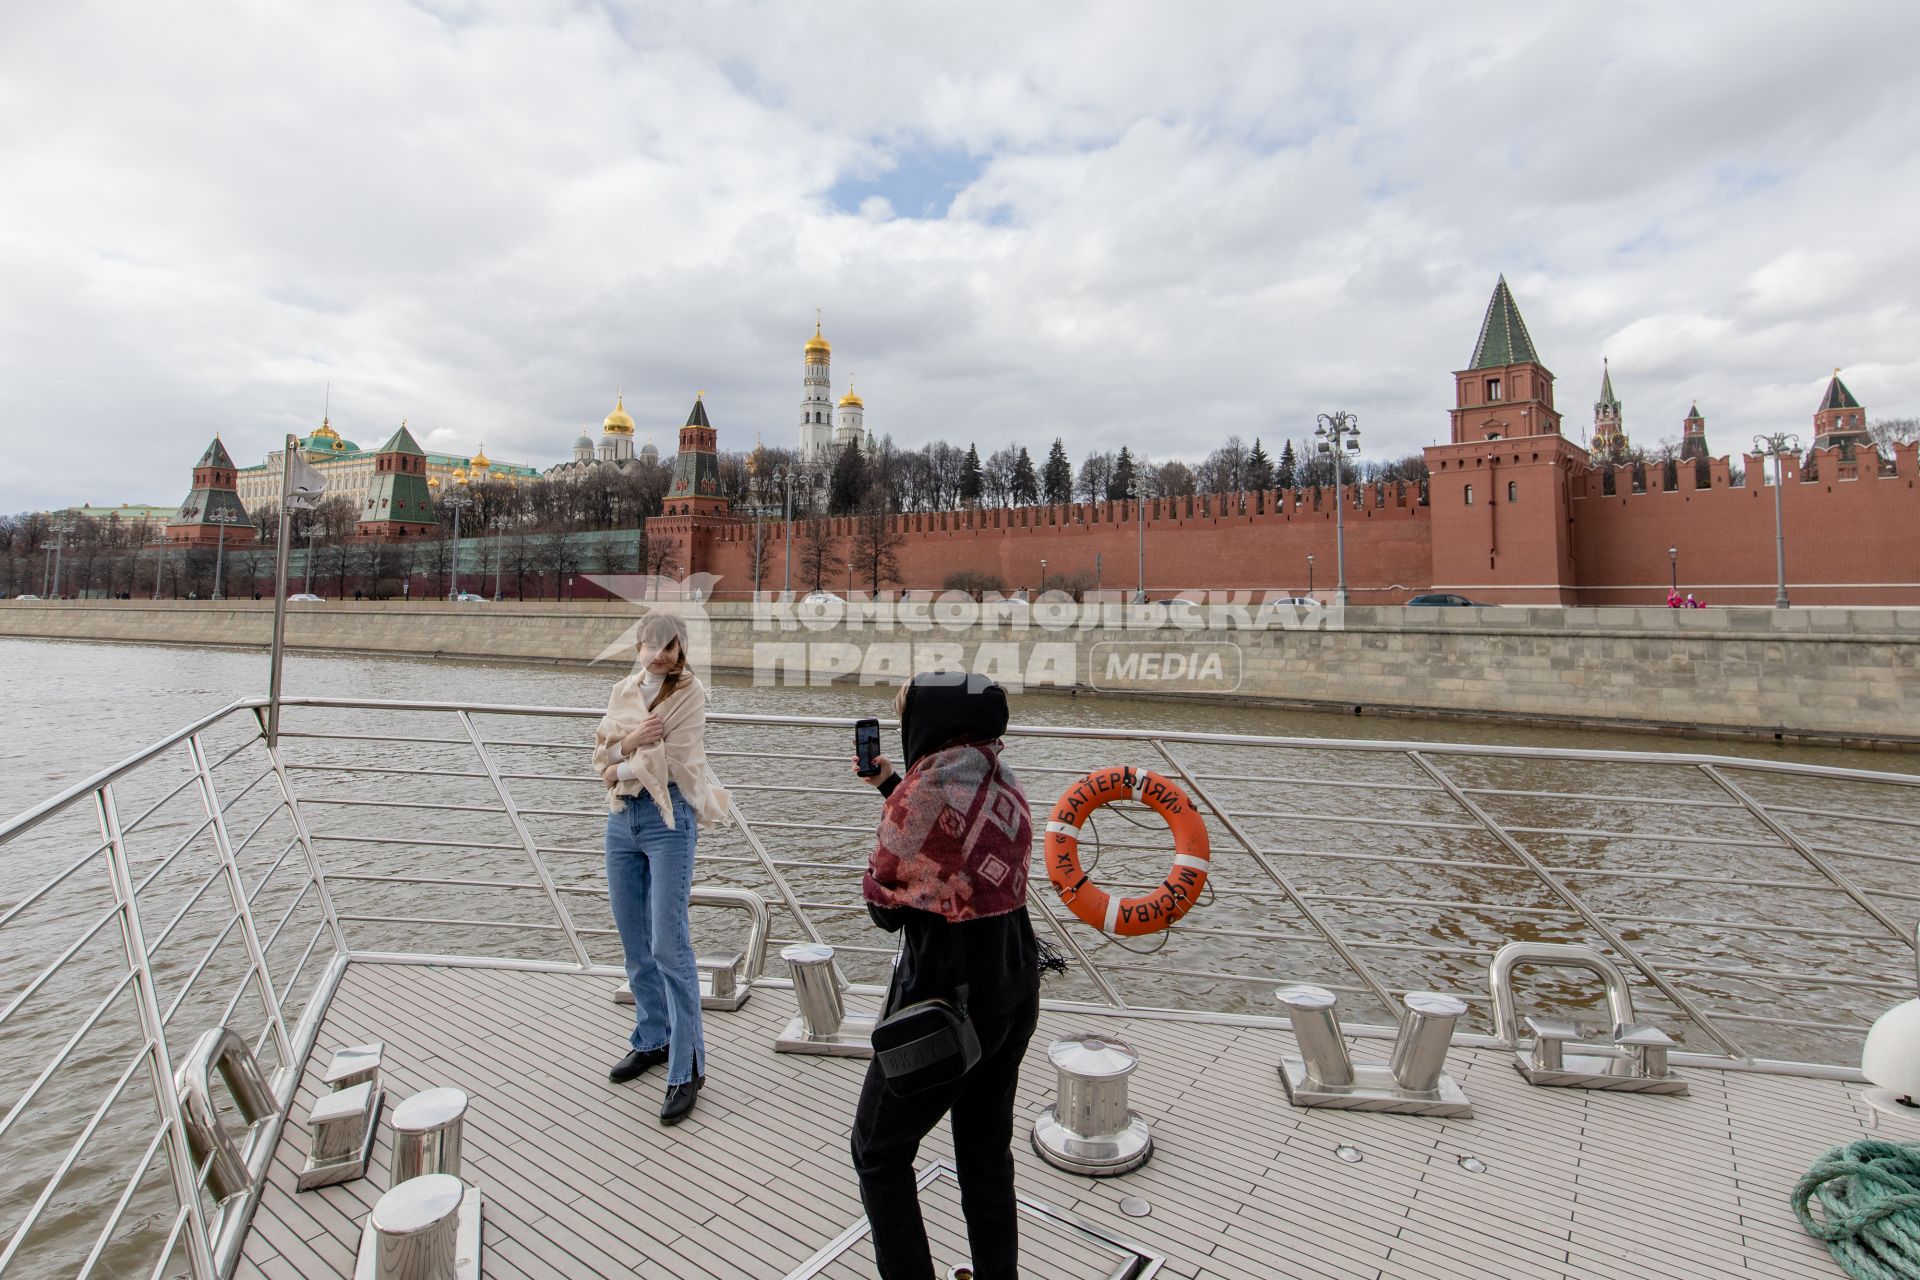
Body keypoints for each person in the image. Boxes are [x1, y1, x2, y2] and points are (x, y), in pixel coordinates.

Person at [851, 671, 1041, 1280]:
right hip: (1012, 987)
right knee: (985, 1156)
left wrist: (894, 802)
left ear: (924, 724)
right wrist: (889, 784)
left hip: (943, 1003)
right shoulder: (1001, 777)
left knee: (878, 1152)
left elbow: (886, 908)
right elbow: (955, 854)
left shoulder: (921, 797)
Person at [591, 612, 731, 1124]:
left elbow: (673, 758)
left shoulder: (690, 693)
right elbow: (601, 748)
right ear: (638, 645)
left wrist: (615, 764)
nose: (662, 655)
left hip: (669, 819)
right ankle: (652, 1038)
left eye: (672, 647)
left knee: (668, 944)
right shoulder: (623, 688)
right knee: (634, 940)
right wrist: (626, 747)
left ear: (682, 650)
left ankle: (688, 1064)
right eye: (654, 645)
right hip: (621, 819)